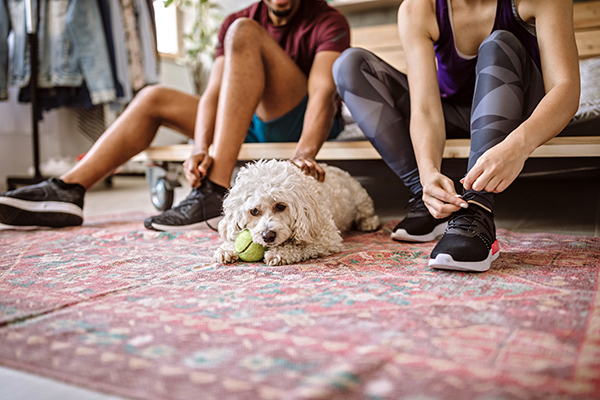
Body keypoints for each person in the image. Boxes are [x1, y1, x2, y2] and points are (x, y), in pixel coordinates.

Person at [0, 0, 350, 232]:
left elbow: (322, 92)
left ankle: (214, 189)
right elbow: (213, 94)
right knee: (154, 97)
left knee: (243, 33)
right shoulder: (239, 16)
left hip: (299, 121)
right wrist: (199, 145)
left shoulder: (326, 20)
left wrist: (304, 152)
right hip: (249, 124)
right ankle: (69, 190)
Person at [333, 0, 580, 272]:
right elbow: (425, 109)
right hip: (456, 114)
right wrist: (428, 174)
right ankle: (433, 200)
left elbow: (566, 88)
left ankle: (477, 209)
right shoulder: (419, 8)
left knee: (497, 42)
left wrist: (518, 145)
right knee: (349, 64)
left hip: (519, 116)